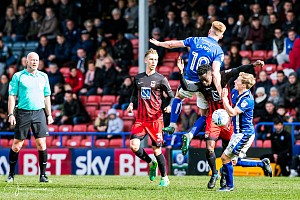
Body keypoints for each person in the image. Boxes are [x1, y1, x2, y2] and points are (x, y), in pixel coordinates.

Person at [177, 57, 264, 189]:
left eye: (206, 79)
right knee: (209, 147)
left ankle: (225, 176)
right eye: (202, 80)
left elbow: (238, 69)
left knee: (226, 151)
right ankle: (214, 174)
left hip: (227, 117)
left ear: (211, 74)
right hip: (213, 118)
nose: (205, 83)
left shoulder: (222, 76)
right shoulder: (201, 85)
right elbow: (187, 86)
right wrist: (181, 72)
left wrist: (253, 64)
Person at [150, 21, 226, 135]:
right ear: (221, 36)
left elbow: (172, 45)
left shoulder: (195, 40)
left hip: (189, 81)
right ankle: (190, 135)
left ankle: (172, 125)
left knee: (178, 97)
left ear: (209, 31)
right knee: (204, 114)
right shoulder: (219, 51)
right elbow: (215, 72)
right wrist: (219, 91)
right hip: (204, 84)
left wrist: (160, 43)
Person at [127, 48, 174, 187]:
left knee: (156, 150)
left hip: (155, 119)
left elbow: (172, 96)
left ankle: (165, 177)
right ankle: (151, 163)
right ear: (145, 60)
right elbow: (134, 94)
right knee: (134, 146)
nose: (154, 62)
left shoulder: (161, 79)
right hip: (141, 119)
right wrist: (131, 103)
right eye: (151, 59)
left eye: (156, 60)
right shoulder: (138, 78)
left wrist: (170, 105)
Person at [220, 72, 272, 191]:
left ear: (243, 85)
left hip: (244, 134)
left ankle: (229, 186)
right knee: (233, 161)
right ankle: (262, 164)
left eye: (237, 81)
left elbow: (233, 112)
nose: (234, 82)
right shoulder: (235, 92)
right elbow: (231, 111)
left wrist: (224, 99)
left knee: (225, 158)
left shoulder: (247, 100)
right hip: (238, 133)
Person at [6, 52, 54, 183]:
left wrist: (49, 114)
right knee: (17, 145)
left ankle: (43, 176)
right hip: (23, 113)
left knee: (41, 143)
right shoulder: (18, 76)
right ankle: (11, 174)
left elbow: (46, 97)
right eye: (32, 60)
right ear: (26, 62)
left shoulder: (44, 76)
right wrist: (11, 114)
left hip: (39, 113)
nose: (34, 62)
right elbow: (11, 95)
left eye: (37, 60)